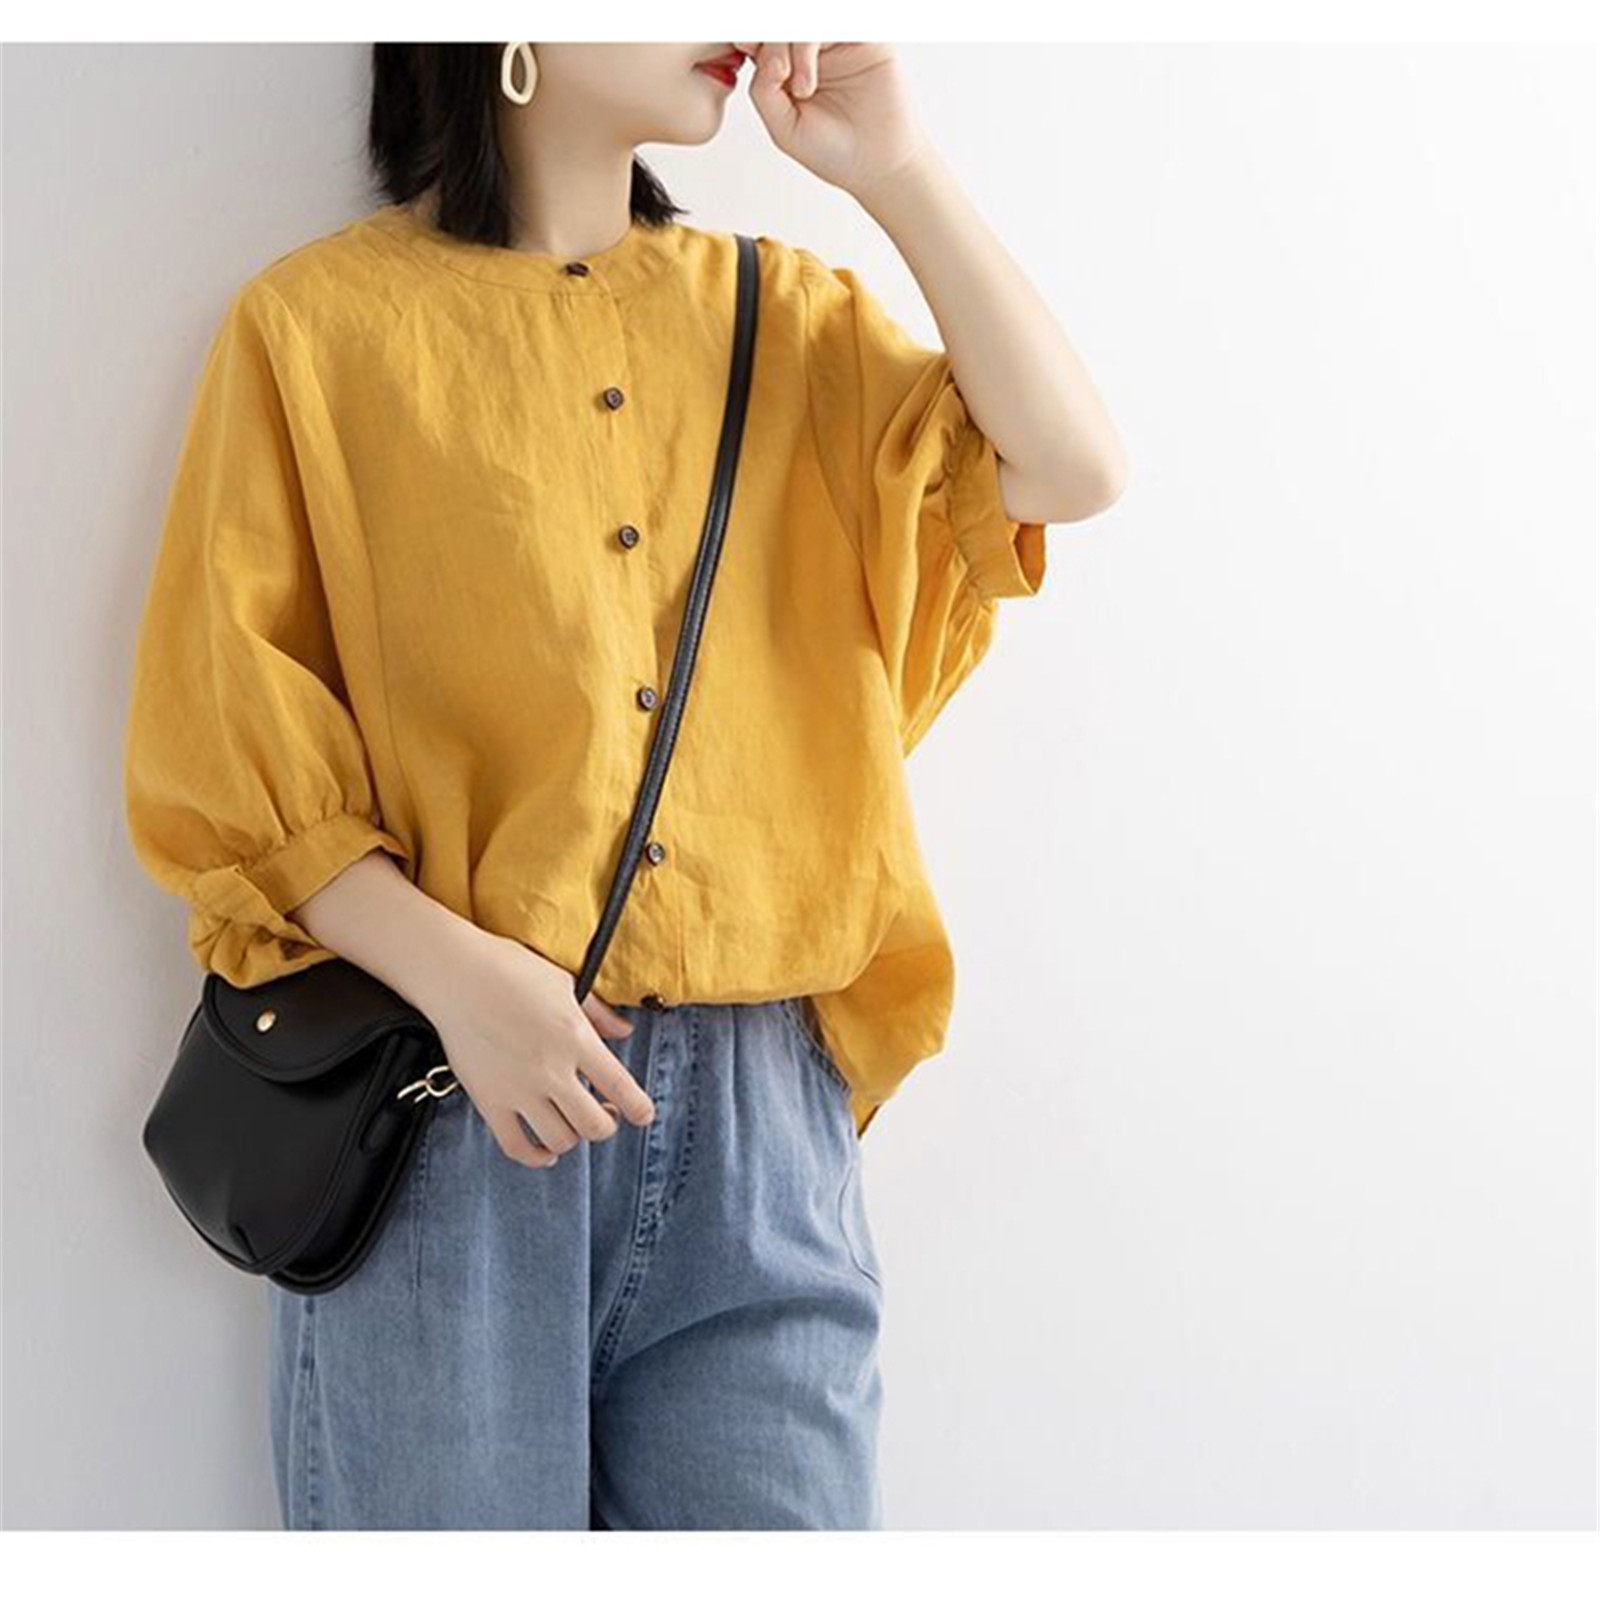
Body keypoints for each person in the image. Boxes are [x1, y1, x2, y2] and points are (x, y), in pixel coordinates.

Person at [122, 42, 1126, 1531]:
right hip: (453, 1106)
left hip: (763, 1134)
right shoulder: (319, 331)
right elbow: (228, 750)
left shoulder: (789, 318)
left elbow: (1069, 470)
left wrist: (898, 168)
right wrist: (460, 978)